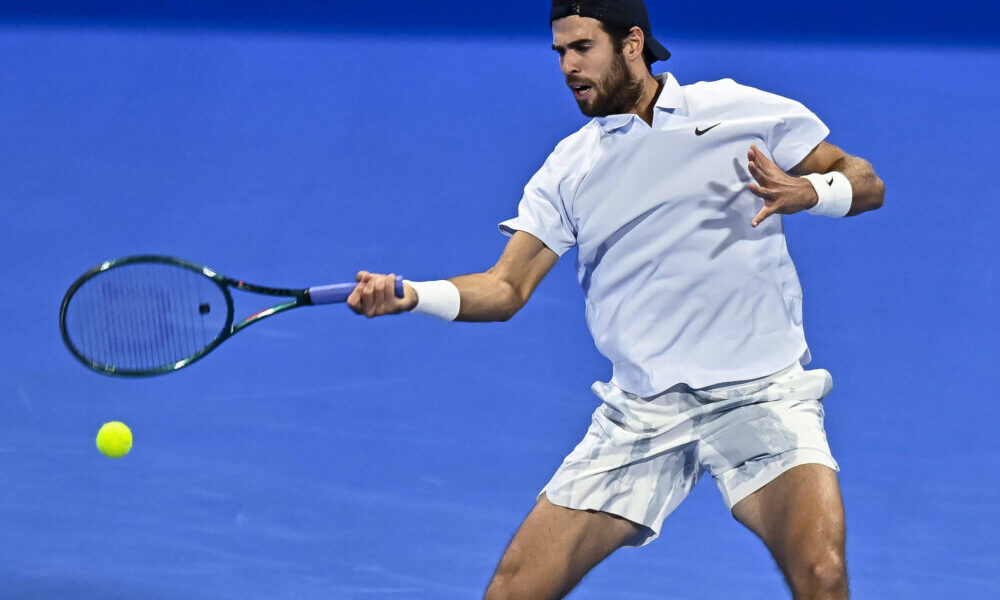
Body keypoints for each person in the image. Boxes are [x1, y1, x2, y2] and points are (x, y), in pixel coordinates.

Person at [347, 1, 884, 598]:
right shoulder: (568, 168)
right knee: (512, 592)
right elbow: (505, 288)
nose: (567, 67)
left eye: (582, 48)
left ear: (632, 44)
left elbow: (865, 181)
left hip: (763, 396)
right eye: (559, 52)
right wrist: (411, 294)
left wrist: (810, 189)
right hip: (643, 414)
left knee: (823, 574)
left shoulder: (736, 109)